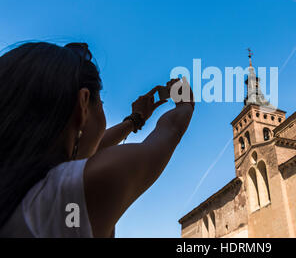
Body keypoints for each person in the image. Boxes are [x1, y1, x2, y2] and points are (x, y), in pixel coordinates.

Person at [0, 42, 194, 237]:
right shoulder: (72, 192)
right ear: (83, 103)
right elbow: (171, 130)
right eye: (100, 103)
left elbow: (92, 147)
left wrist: (135, 120)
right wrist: (185, 104)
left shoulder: (18, 190)